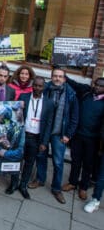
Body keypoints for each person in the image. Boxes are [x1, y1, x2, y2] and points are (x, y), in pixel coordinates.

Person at [30, 67, 78, 204]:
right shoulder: (44, 90)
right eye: (55, 76)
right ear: (51, 77)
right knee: (41, 157)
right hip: (44, 131)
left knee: (58, 162)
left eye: (60, 76)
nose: (57, 78)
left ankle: (56, 188)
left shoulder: (70, 94)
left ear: (64, 78)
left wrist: (68, 134)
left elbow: (75, 117)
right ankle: (40, 179)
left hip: (59, 134)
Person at [62, 76, 104, 200]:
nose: (97, 87)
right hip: (78, 135)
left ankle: (83, 187)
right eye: (96, 84)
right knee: (75, 160)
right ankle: (72, 183)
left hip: (93, 139)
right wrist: (63, 75)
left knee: (88, 164)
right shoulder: (86, 92)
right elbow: (74, 83)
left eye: (101, 86)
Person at [18, 76, 55, 199]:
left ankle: (23, 185)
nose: (37, 88)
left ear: (44, 87)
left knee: (29, 162)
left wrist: (45, 142)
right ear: (32, 86)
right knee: (16, 159)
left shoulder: (49, 103)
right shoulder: (24, 97)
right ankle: (13, 183)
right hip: (22, 135)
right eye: (35, 85)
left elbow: (49, 124)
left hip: (36, 138)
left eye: (40, 86)